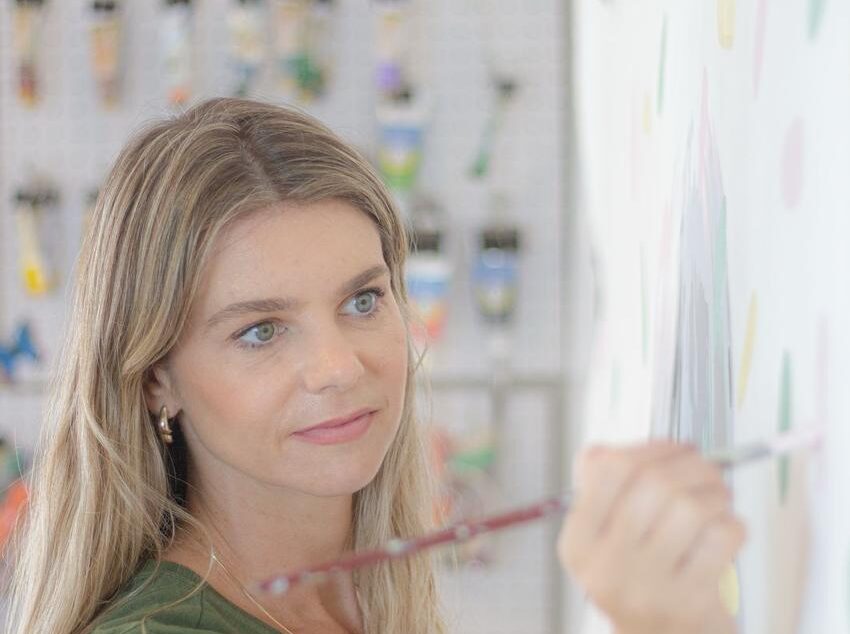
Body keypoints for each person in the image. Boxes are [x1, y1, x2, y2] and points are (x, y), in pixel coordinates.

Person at [4, 98, 745, 634]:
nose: (337, 366)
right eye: (261, 331)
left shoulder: (359, 598)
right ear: (155, 379)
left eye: (362, 301)